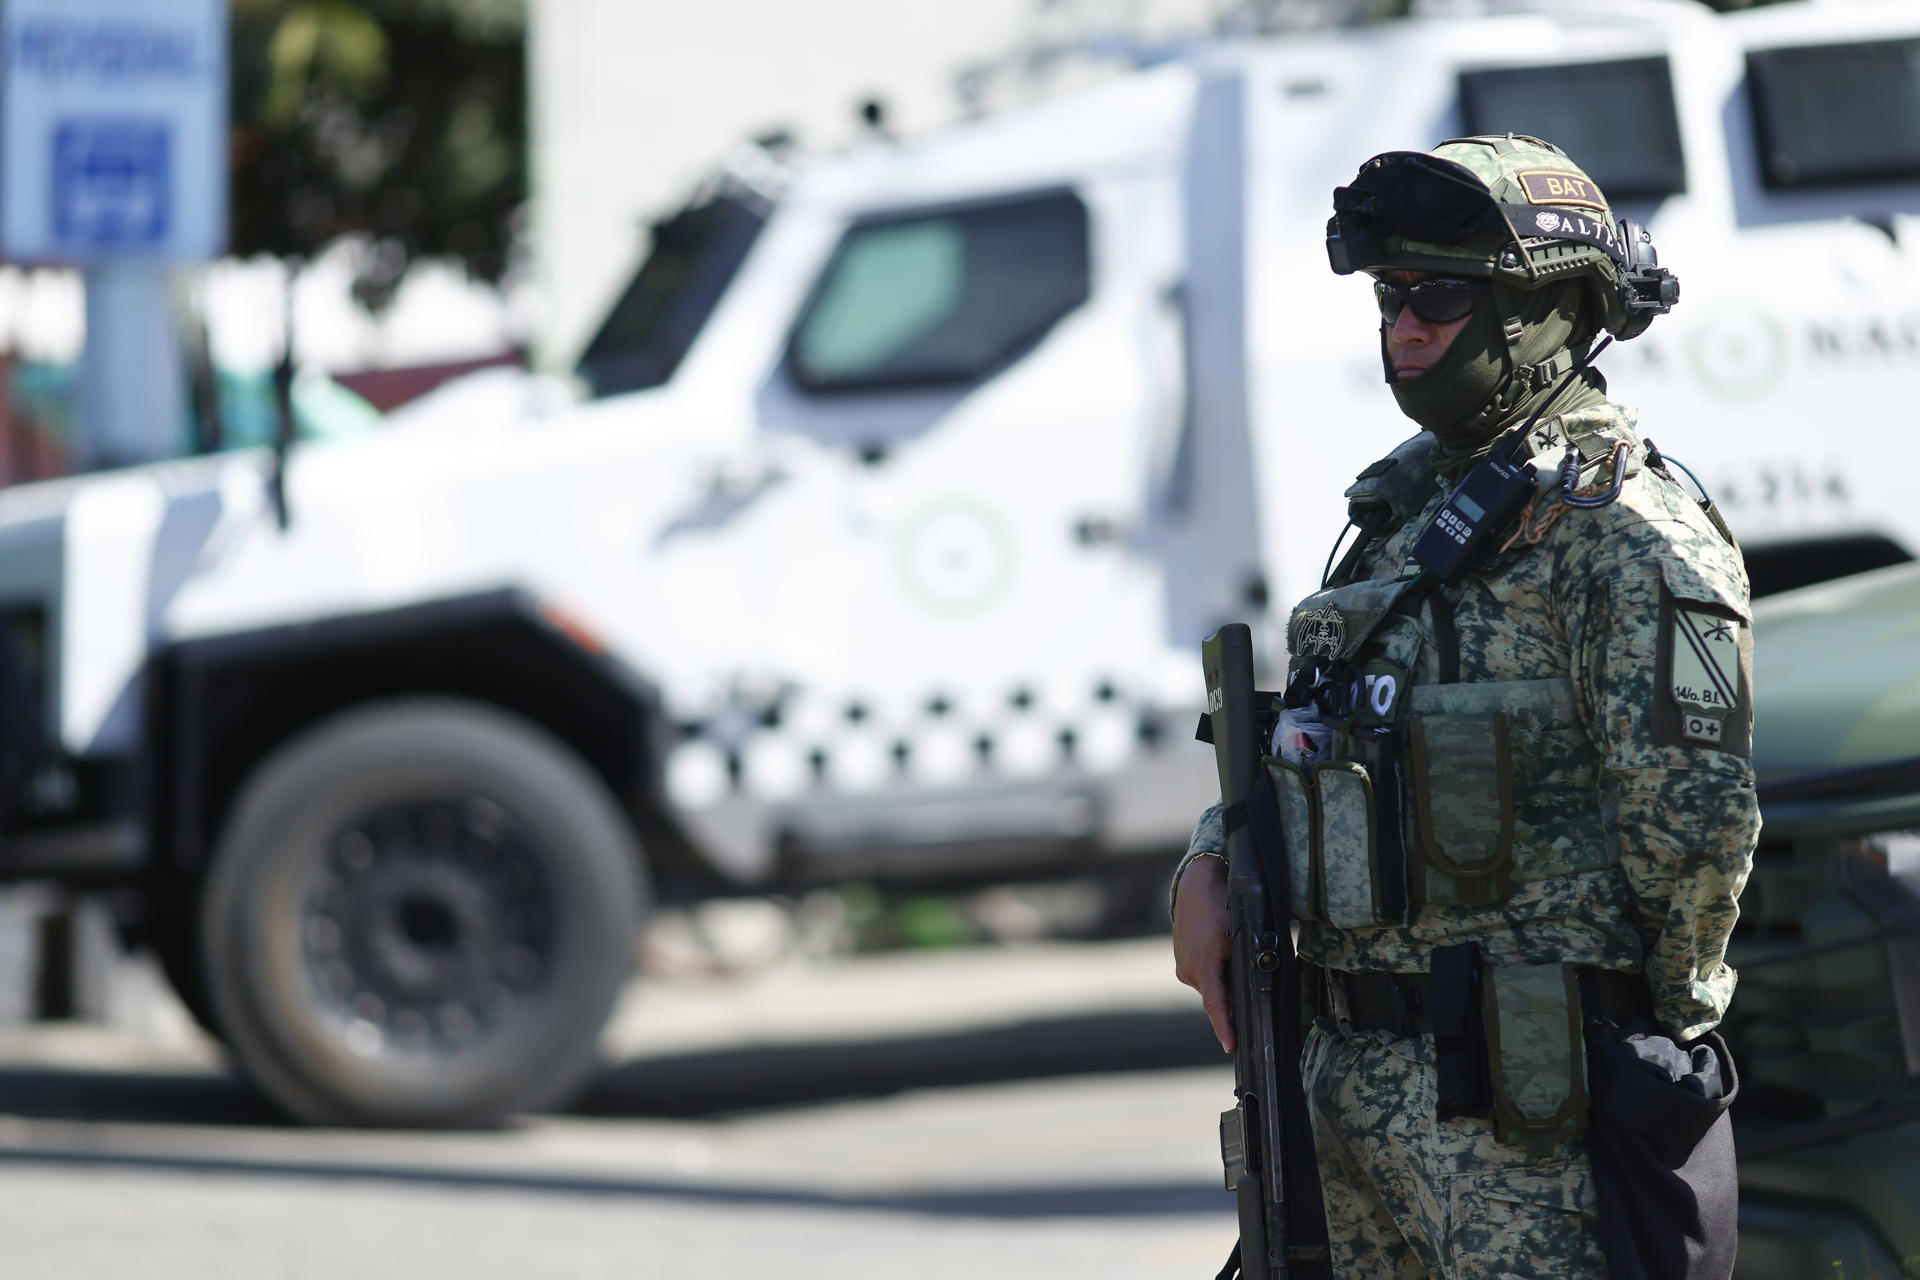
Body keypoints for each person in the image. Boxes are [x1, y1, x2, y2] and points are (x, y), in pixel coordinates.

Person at [1171, 135, 1758, 1279]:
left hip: (1519, 1118)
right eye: (1391, 297)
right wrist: (1207, 856)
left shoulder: (1624, 530)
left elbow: (1694, 813)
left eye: (1440, 296)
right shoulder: (1401, 512)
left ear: (1548, 309)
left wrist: (1654, 1025)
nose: (1404, 326)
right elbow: (1316, 734)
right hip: (1344, 1094)